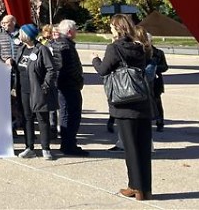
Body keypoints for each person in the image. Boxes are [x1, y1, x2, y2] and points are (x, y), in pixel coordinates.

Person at [92, 14, 154, 201]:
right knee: (143, 146)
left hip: (124, 102)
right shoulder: (140, 47)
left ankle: (135, 187)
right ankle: (146, 188)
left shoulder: (114, 48)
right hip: (142, 101)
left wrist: (95, 59)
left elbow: (103, 71)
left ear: (117, 28)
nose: (110, 29)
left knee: (130, 147)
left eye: (111, 27)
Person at [15, 24, 57, 161]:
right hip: (23, 89)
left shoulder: (42, 50)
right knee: (27, 118)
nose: (19, 35)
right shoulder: (21, 49)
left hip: (37, 90)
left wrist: (45, 86)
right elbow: (18, 66)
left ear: (27, 35)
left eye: (21, 33)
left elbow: (51, 69)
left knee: (42, 119)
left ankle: (46, 148)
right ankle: (29, 147)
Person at [51, 19, 88, 156]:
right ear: (69, 32)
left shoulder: (58, 44)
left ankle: (68, 143)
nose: (77, 32)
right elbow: (69, 68)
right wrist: (79, 80)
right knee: (70, 115)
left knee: (67, 114)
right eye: (75, 29)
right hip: (68, 85)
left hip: (64, 85)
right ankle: (68, 144)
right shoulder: (65, 46)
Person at [147, 33, 168, 132]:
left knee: (157, 101)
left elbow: (165, 66)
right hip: (143, 81)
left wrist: (154, 68)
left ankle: (160, 122)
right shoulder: (139, 52)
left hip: (156, 80)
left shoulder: (159, 53)